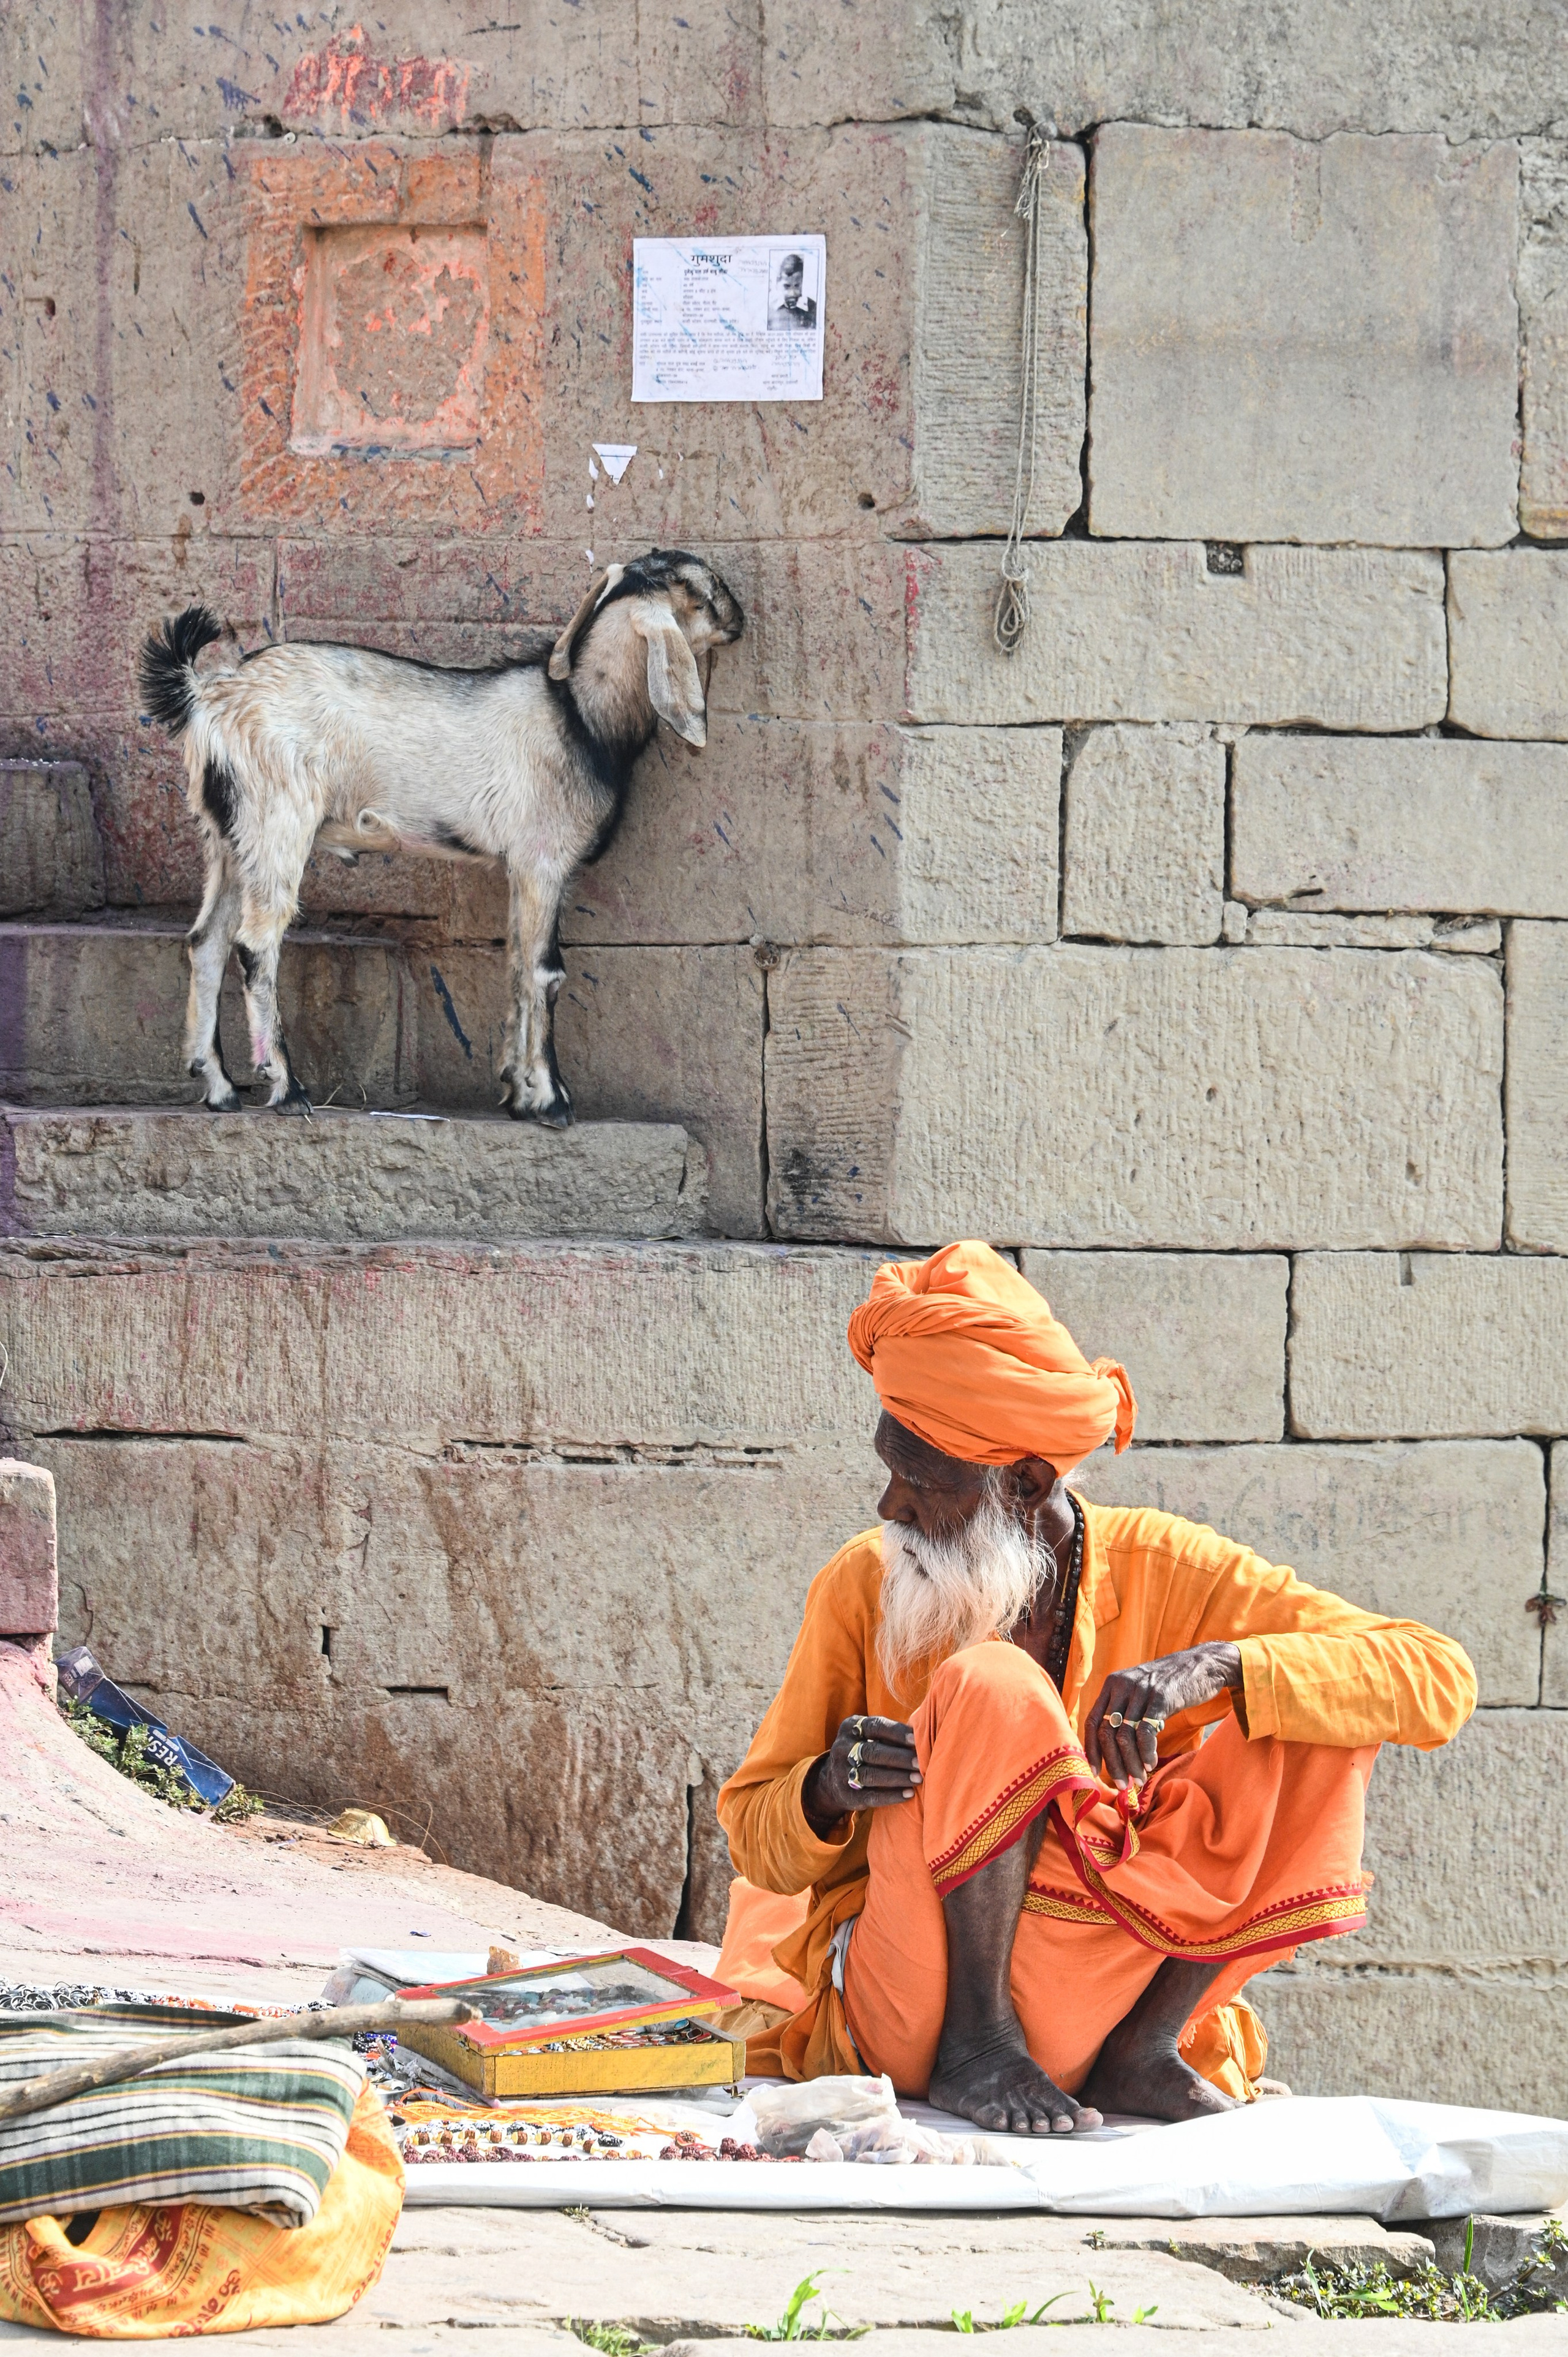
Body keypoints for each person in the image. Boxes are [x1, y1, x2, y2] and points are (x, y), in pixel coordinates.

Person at [716, 1243, 1476, 2135]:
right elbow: (753, 1833)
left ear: (1027, 1481)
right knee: (994, 1683)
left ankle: (1139, 2055)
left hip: (1105, 1991)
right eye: (891, 1472)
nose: (892, 1508)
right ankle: (978, 2043)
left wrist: (1222, 1668)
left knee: (1314, 1701)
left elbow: (1437, 1674)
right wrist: (826, 1790)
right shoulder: (866, 1582)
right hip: (914, 2002)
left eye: (922, 1482)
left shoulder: (1172, 1567)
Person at [768, 252, 818, 331]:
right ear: (778, 282)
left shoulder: (813, 308)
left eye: (797, 286)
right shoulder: (770, 309)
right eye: (787, 286)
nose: (792, 293)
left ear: (803, 282)